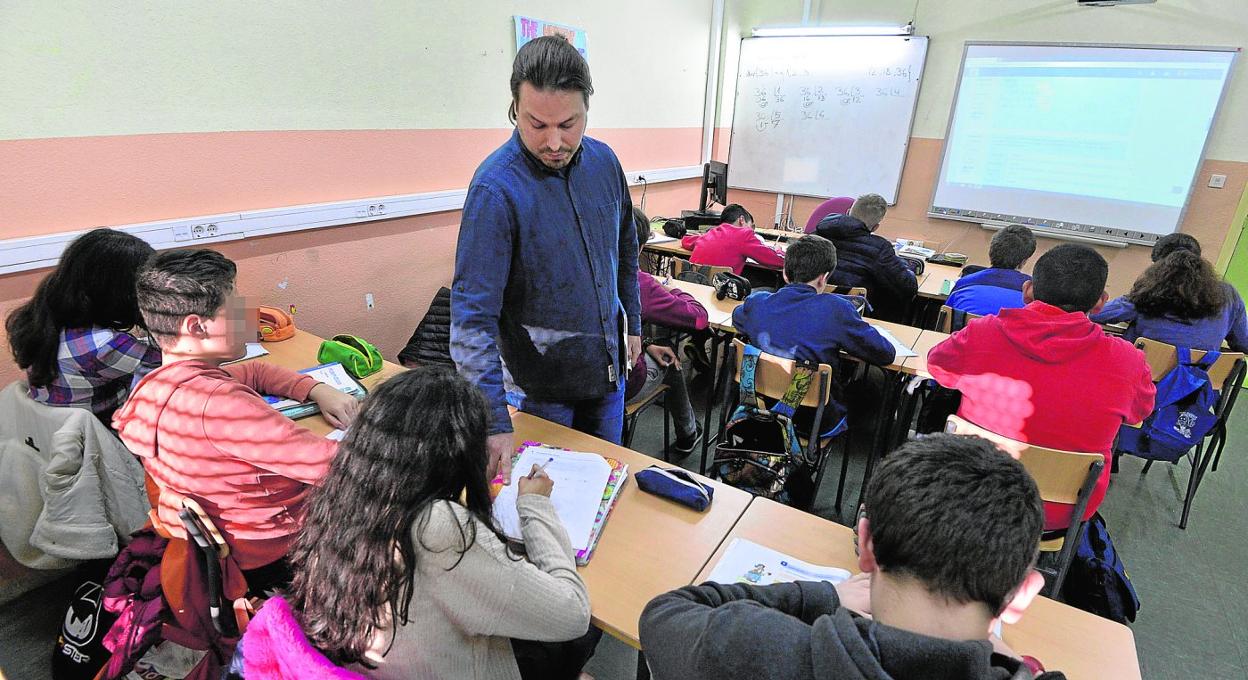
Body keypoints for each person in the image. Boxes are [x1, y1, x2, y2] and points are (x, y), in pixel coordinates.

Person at [242, 368, 593, 680]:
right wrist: (535, 505)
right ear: (457, 453)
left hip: (370, 660)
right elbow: (572, 611)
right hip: (444, 666)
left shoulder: (344, 487)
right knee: (585, 632)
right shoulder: (437, 526)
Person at [638, 434, 1064, 680]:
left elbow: (665, 612)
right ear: (1023, 596)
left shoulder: (749, 644)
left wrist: (822, 597)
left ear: (866, 545)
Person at [451, 35, 640, 485]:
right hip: (538, 393)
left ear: (587, 110)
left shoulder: (605, 164)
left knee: (603, 502)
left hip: (607, 377)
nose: (554, 142)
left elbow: (626, 246)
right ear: (515, 108)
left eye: (569, 124)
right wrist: (494, 421)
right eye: (537, 125)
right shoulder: (495, 190)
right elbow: (471, 319)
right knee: (542, 516)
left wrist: (632, 320)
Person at [112, 249, 360, 580]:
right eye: (233, 310)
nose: (246, 318)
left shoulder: (156, 386)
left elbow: (255, 371)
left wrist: (316, 389)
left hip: (227, 542)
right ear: (196, 327)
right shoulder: (225, 409)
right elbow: (340, 466)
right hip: (278, 550)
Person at [927, 244, 1156, 530]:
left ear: (1028, 290)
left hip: (969, 492)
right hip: (1060, 513)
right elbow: (1140, 413)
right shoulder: (1129, 361)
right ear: (1101, 303)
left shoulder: (982, 332)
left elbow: (937, 368)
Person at [732, 234, 895, 427]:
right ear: (823, 278)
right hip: (812, 418)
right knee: (870, 384)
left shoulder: (757, 303)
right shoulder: (837, 309)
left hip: (757, 405)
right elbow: (885, 354)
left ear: (785, 273)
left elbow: (738, 317)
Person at [6, 228, 160, 421]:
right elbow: (176, 365)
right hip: (98, 439)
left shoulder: (43, 315)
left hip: (52, 433)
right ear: (120, 291)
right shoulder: (104, 345)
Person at [628, 208, 708, 456]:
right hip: (622, 387)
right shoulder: (640, 284)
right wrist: (674, 289)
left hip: (578, 388)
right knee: (672, 362)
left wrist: (646, 341)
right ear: (641, 247)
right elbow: (699, 318)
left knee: (661, 348)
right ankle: (688, 433)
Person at [1091, 240, 1248, 352]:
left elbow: (1096, 313)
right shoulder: (1228, 295)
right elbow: (1243, 343)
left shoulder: (1149, 292)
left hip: (1141, 383)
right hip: (1198, 389)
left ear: (1158, 267)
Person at [814, 193, 918, 322]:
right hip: (854, 319)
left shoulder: (819, 232)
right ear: (875, 227)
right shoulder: (879, 248)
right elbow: (909, 288)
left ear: (847, 212)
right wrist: (901, 262)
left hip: (811, 311)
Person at [946, 225, 1037, 316]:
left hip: (966, 329)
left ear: (991, 252)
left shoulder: (964, 283)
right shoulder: (1033, 293)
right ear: (1024, 261)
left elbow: (945, 315)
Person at [679, 204, 785, 276]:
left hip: (696, 287)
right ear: (742, 220)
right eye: (751, 226)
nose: (752, 232)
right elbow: (778, 261)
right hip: (721, 292)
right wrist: (778, 250)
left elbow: (685, 241)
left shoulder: (711, 232)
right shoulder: (744, 235)